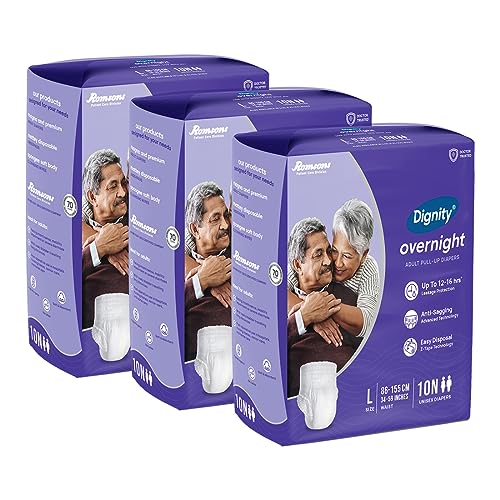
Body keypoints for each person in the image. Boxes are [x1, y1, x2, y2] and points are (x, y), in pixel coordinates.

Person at [286, 218, 360, 397]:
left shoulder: (349, 299)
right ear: (297, 265)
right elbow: (269, 347)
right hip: (295, 397)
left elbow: (369, 347)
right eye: (318, 254)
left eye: (328, 251)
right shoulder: (278, 300)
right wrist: (304, 317)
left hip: (345, 393)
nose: (328, 261)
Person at [288, 199, 380, 340]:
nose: (336, 263)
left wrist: (323, 308)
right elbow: (276, 289)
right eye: (334, 250)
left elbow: (367, 323)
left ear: (363, 256)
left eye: (347, 256)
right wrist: (310, 314)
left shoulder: (368, 269)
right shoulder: (301, 265)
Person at [184, 181, 232, 361]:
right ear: (195, 229)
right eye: (215, 218)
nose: (225, 225)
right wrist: (202, 281)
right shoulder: (176, 261)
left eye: (226, 216)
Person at [81, 149, 129, 329]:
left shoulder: (138, 223)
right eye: (113, 186)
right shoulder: (72, 230)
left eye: (123, 183)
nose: (123, 192)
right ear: (92, 196)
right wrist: (99, 247)